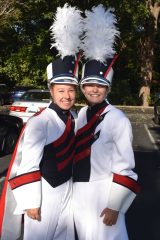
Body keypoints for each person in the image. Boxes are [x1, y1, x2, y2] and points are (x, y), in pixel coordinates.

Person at [0, 4, 83, 240]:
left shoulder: (74, 117)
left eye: (71, 90)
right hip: (44, 193)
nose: (66, 96)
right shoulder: (40, 122)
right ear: (51, 91)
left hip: (68, 189)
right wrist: (30, 203)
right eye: (61, 90)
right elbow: (28, 165)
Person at [72, 5, 140, 240]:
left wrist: (114, 205)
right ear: (82, 88)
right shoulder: (80, 115)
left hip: (104, 195)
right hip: (78, 194)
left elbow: (125, 166)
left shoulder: (117, 118)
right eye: (89, 85)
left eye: (99, 86)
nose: (94, 89)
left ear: (107, 87)